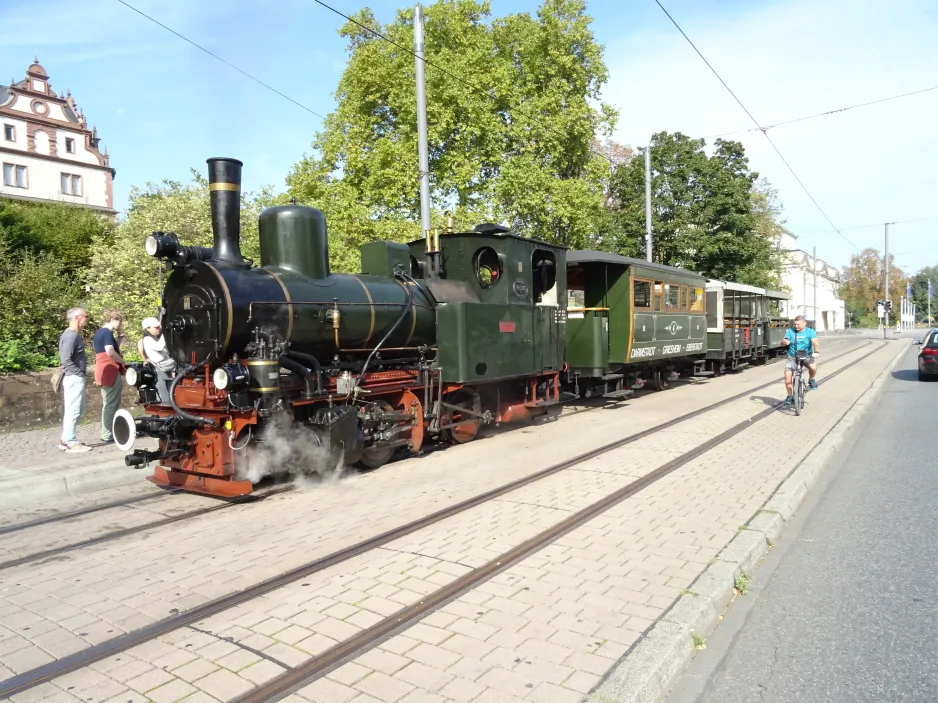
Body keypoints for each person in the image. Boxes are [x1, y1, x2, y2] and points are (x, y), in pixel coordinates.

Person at [58, 307, 91, 453]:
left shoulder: (70, 334)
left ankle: (66, 440)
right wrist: (79, 373)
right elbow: (65, 359)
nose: (87, 319)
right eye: (86, 316)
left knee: (75, 409)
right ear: (78, 318)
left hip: (73, 377)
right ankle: (71, 442)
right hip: (73, 377)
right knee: (74, 410)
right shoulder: (71, 335)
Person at [93, 309, 126, 443]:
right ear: (113, 319)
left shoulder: (99, 332)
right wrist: (123, 362)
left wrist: (119, 339)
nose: (120, 324)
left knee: (108, 403)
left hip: (103, 370)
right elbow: (110, 352)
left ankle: (107, 432)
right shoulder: (107, 332)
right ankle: (107, 434)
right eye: (120, 321)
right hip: (110, 371)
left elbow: (110, 348)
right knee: (111, 404)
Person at [781, 314, 820, 405]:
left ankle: (811, 380)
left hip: (807, 356)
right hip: (792, 357)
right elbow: (783, 341)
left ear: (804, 323)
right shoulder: (791, 331)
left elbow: (815, 342)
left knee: (813, 367)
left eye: (798, 324)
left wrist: (817, 351)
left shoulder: (810, 331)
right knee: (787, 377)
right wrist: (784, 342)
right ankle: (790, 396)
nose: (796, 326)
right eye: (795, 324)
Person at [141, 316, 176, 404]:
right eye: (156, 327)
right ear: (148, 328)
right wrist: (165, 333)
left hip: (165, 367)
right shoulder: (147, 339)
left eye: (159, 327)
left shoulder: (155, 338)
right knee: (164, 395)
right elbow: (159, 347)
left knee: (169, 392)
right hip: (158, 370)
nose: (158, 329)